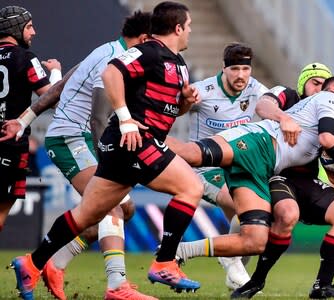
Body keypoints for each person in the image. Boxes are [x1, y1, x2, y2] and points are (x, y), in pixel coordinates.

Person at [10, 2, 203, 299]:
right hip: (128, 141)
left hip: (124, 141)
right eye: (189, 26)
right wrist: (125, 122)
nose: (191, 31)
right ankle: (157, 266)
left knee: (91, 212)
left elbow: (167, 110)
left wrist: (186, 103)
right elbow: (110, 76)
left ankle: (33, 263)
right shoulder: (145, 51)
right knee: (191, 186)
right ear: (177, 27)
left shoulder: (176, 63)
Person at [163, 75, 334, 296]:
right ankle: (143, 132)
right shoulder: (327, 98)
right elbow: (326, 138)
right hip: (258, 143)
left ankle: (180, 251)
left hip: (263, 169)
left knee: (255, 241)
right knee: (191, 154)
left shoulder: (321, 113)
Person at [1, 11, 154, 300]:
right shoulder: (115, 60)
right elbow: (97, 118)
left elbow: (59, 88)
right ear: (145, 38)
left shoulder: (105, 50)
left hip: (76, 135)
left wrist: (22, 121)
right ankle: (117, 286)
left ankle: (49, 264)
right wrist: (110, 163)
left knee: (126, 208)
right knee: (111, 205)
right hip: (72, 136)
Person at [230, 63, 334, 299]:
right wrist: (284, 118)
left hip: (307, 180)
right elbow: (263, 106)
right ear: (303, 83)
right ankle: (256, 281)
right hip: (277, 173)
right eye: (315, 82)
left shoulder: (327, 112)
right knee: (287, 214)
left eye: (323, 85)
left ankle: (322, 286)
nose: (320, 89)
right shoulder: (288, 96)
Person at [169, 42, 269, 290]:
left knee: (249, 225)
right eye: (234, 68)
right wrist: (185, 102)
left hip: (236, 167)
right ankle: (226, 260)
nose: (241, 75)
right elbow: (177, 112)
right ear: (223, 68)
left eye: (245, 69)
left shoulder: (256, 89)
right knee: (243, 206)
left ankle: (234, 273)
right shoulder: (204, 90)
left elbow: (278, 106)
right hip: (204, 169)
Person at [0, 5, 61, 232]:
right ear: (15, 29)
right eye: (28, 27)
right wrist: (56, 72)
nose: (33, 32)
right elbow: (52, 99)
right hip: (9, 143)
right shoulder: (25, 58)